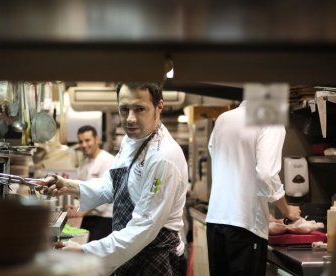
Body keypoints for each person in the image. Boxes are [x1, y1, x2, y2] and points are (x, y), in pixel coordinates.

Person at [38, 82, 188, 276]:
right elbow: (112, 184)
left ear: (159, 107)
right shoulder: (131, 141)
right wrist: (69, 186)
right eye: (124, 109)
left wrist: (85, 251)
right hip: (129, 251)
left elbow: (143, 228)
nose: (130, 119)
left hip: (155, 257)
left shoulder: (163, 157)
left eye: (139, 109)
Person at [205, 100, 301, 276]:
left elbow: (225, 164)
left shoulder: (224, 119)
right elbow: (266, 174)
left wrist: (264, 210)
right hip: (245, 227)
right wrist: (287, 211)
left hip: (215, 221)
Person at [66, 125, 115, 241]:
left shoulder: (108, 161)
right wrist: (76, 207)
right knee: (80, 248)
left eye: (87, 140)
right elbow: (82, 191)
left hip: (105, 218)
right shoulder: (84, 163)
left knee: (95, 256)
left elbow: (104, 195)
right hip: (89, 216)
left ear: (96, 139)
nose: (84, 145)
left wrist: (81, 211)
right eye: (80, 141)